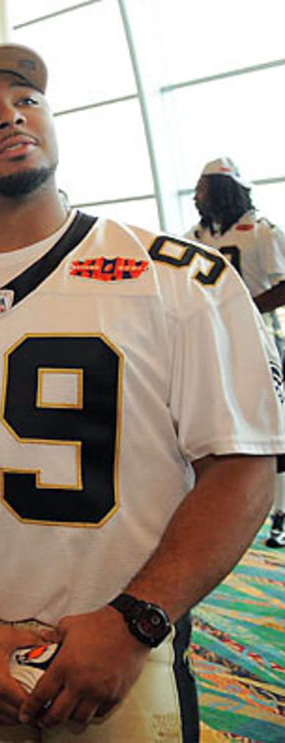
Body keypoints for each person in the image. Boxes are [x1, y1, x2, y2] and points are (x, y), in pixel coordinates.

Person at [0, 43, 285, 742]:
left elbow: (241, 469)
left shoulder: (179, 280)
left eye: (26, 101)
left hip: (127, 647)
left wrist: (135, 620)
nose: (10, 118)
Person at [186, 157, 285, 549]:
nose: (196, 196)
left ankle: (280, 513)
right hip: (215, 343)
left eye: (203, 188)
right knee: (218, 429)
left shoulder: (262, 232)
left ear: (224, 189)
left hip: (262, 344)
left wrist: (241, 308)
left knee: (272, 430)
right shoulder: (194, 235)